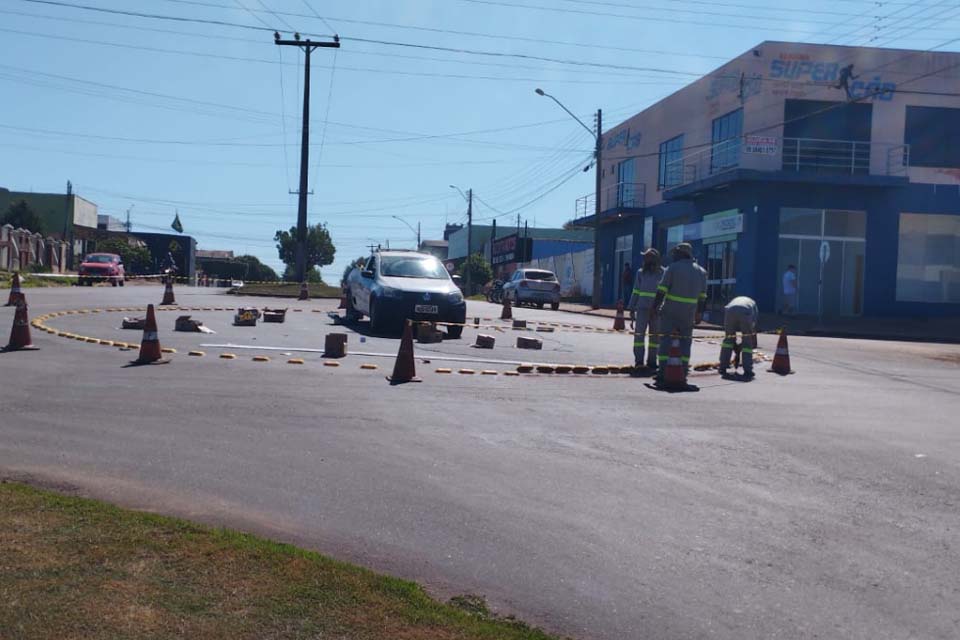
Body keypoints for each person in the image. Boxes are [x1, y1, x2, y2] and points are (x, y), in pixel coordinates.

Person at [649, 243, 707, 382]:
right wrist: (699, 313)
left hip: (671, 311)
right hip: (689, 313)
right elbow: (703, 297)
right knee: (686, 342)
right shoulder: (701, 272)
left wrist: (654, 307)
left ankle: (662, 372)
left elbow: (662, 290)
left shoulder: (672, 268)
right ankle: (684, 371)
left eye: (676, 253)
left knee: (666, 341)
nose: (674, 256)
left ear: (682, 254)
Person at [628, 249, 663, 370]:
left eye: (648, 257)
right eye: (645, 258)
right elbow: (636, 291)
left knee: (655, 337)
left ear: (655, 259)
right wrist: (631, 308)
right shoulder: (640, 273)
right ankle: (639, 362)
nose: (645, 260)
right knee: (639, 336)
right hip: (642, 309)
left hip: (657, 311)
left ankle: (652, 362)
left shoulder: (663, 273)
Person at [719, 296, 759, 378]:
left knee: (728, 339)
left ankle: (722, 366)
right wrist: (752, 341)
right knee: (747, 343)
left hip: (729, 310)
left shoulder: (737, 300)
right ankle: (748, 370)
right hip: (745, 311)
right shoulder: (754, 306)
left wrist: (736, 346)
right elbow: (753, 328)